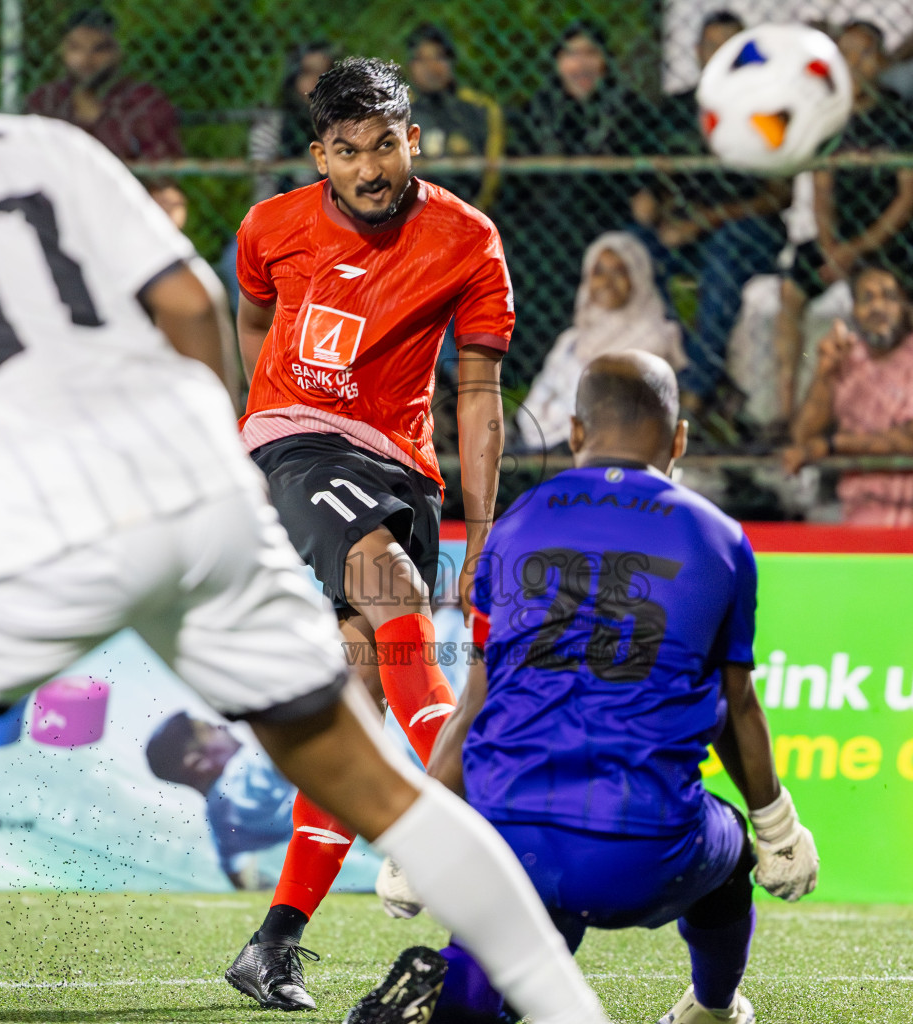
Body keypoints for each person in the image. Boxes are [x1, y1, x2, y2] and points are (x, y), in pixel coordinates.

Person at [0, 9, 608, 1024]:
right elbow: (194, 307)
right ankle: (539, 972)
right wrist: (226, 464)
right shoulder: (47, 146)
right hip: (205, 495)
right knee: (379, 780)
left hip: (39, 527)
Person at [369, 351, 820, 1024]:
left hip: (511, 832)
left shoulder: (510, 527)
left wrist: (419, 838)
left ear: (575, 433)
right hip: (643, 847)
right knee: (728, 857)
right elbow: (736, 706)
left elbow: (475, 705)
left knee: (517, 916)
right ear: (678, 441)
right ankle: (713, 1009)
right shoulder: (718, 536)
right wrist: (777, 828)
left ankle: (460, 990)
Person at [227, 56, 513, 1011]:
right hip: (295, 447)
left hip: (402, 470)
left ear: (412, 139)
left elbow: (478, 392)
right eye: (347, 153)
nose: (369, 168)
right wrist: (253, 440)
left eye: (384, 145)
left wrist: (481, 531)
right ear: (320, 155)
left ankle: (273, 942)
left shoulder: (467, 241)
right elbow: (254, 322)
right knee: (392, 595)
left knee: (358, 694)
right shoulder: (270, 226)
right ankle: (451, 818)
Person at [769, 21, 913, 427]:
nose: (854, 65)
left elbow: (907, 198)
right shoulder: (828, 116)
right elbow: (821, 192)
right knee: (791, 289)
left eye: (865, 55)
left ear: (882, 62)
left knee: (881, 290)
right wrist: (831, 247)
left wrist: (853, 252)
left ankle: (888, 410)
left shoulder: (903, 117)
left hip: (888, 242)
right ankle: (786, 410)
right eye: (845, 55)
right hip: (837, 239)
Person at [639, 9, 790, 416]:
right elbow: (654, 187)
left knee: (725, 252)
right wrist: (659, 216)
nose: (722, 55)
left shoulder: (767, 108)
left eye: (734, 48)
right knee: (634, 248)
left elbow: (780, 196)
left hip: (746, 229)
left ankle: (694, 391)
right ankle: (679, 376)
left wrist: (705, 221)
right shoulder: (675, 110)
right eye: (713, 46)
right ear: (697, 52)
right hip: (684, 228)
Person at [504, 21, 661, 378]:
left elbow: (642, 188)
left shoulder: (627, 108)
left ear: (605, 61)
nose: (582, 64)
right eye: (572, 54)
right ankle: (532, 372)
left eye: (591, 53)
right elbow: (518, 187)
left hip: (605, 218)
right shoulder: (537, 110)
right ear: (559, 63)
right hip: (544, 223)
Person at [781, 262, 913, 525]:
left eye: (889, 298)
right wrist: (825, 373)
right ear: (854, 310)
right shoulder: (851, 358)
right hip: (859, 514)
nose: (877, 308)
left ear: (908, 306)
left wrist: (833, 446)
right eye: (867, 299)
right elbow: (803, 437)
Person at [518, 232, 686, 451]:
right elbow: (534, 404)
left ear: (638, 276)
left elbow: (614, 411)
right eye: (598, 272)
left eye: (619, 272)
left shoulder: (656, 338)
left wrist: (556, 416)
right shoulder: (571, 340)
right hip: (546, 444)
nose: (607, 282)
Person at [145, 711, 296, 889]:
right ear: (199, 762)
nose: (222, 726)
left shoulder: (220, 823)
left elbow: (236, 872)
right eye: (211, 729)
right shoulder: (245, 766)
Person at [25, 7, 183, 161]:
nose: (86, 60)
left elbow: (161, 166)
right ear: (62, 51)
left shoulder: (143, 99)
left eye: (99, 49)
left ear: (117, 52)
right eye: (75, 48)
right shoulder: (45, 98)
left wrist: (100, 120)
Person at [405, 23, 504, 211]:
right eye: (421, 60)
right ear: (410, 66)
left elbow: (492, 175)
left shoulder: (479, 108)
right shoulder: (396, 111)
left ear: (451, 62)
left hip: (466, 212)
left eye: (439, 57)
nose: (431, 68)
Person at [248, 40, 334, 204]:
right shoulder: (272, 123)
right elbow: (264, 189)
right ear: (294, 77)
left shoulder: (342, 124)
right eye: (308, 72)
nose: (317, 82)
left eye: (325, 74)